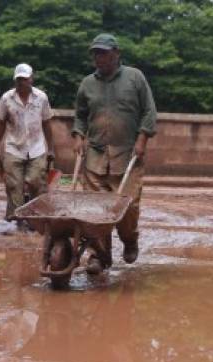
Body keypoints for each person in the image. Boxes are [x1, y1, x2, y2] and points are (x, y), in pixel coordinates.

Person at [72, 33, 157, 274]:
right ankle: (99, 256)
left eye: (103, 53)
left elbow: (149, 112)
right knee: (96, 212)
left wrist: (142, 139)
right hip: (95, 157)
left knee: (127, 208)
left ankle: (130, 240)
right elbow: (79, 114)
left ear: (116, 53)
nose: (99, 58)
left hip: (128, 155)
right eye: (96, 53)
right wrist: (78, 135)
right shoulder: (87, 84)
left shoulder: (135, 77)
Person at [0, 63, 55, 229]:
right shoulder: (7, 99)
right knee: (14, 185)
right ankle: (19, 219)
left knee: (36, 181)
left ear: (31, 79)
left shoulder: (41, 98)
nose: (21, 83)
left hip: (37, 147)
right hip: (14, 147)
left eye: (25, 79)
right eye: (19, 79)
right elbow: (0, 124)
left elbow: (47, 123)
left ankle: (37, 218)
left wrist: (50, 149)